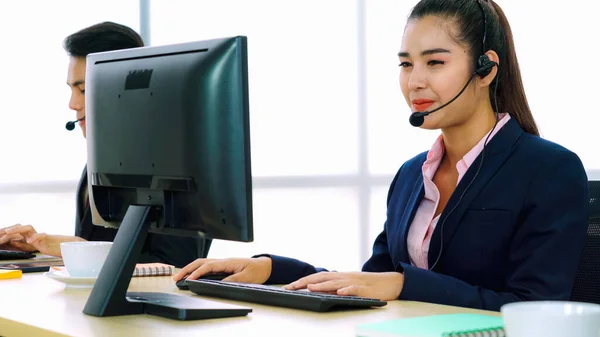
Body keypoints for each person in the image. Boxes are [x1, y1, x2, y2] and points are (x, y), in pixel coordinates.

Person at [173, 0, 589, 311]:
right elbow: (371, 283)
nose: (416, 82)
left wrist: (405, 285)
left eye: (435, 62)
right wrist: (272, 271)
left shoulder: (549, 170)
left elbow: (536, 311)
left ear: (486, 69)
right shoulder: (412, 176)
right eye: (406, 65)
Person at [0, 22, 210, 268]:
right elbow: (94, 260)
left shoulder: (175, 162)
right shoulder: (100, 158)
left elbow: (176, 266)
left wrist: (76, 248)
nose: (73, 104)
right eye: (72, 90)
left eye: (83, 90)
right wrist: (40, 245)